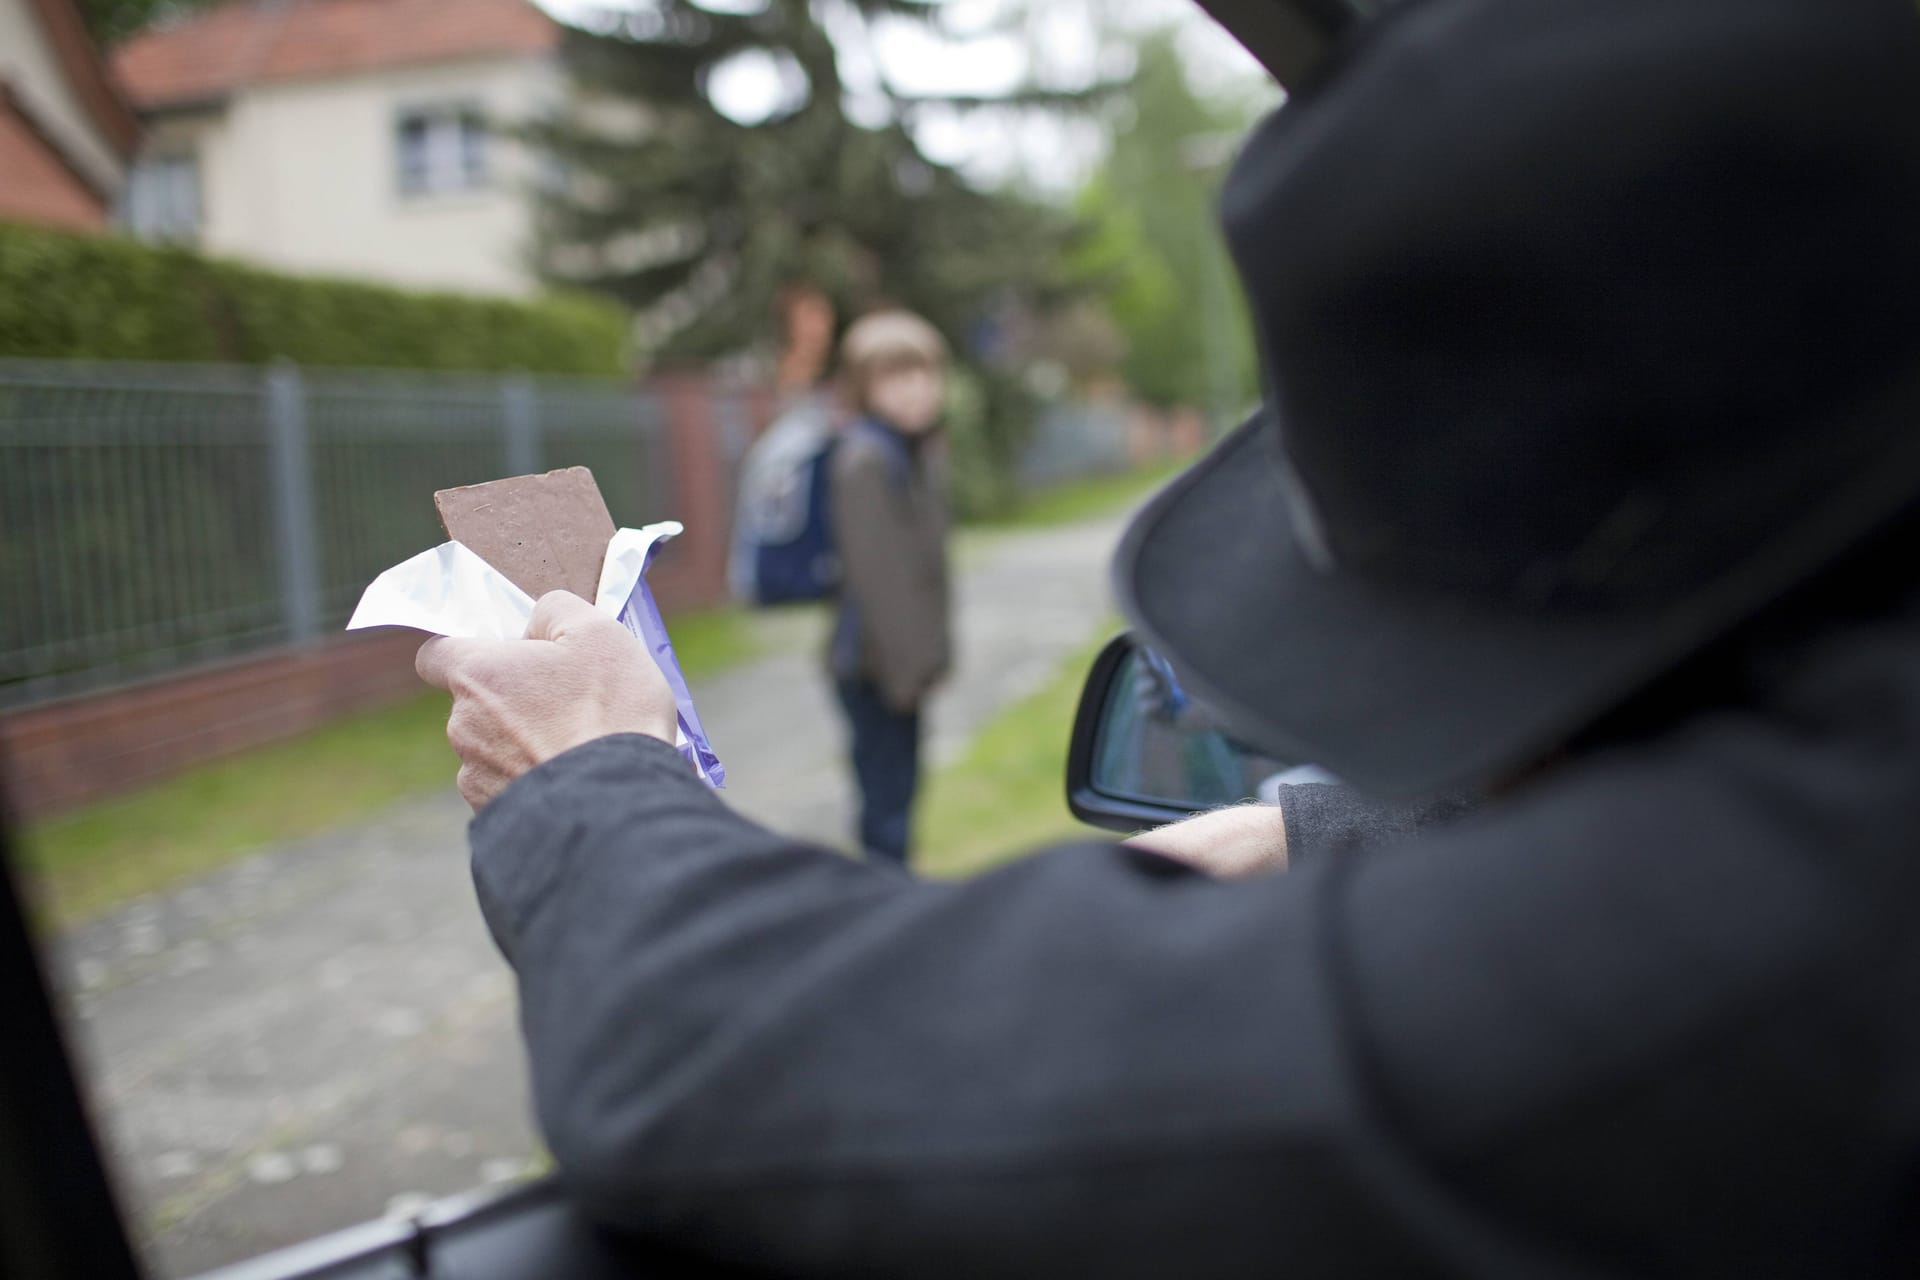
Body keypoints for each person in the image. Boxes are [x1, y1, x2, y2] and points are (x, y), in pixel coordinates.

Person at [413, 0, 1920, 1272]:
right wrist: (1322, 837)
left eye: (1471, 700)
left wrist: (592, 771)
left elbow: (762, 1066)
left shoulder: (1800, 956)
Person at [824, 310, 952, 865]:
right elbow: (879, 580)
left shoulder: (909, 452)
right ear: (863, 387)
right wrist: (906, 674)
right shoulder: (866, 460)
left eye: (925, 374)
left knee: (899, 799)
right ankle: (885, 914)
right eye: (896, 377)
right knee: (886, 810)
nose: (916, 390)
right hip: (875, 669)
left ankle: (892, 901)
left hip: (895, 667)